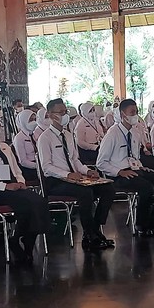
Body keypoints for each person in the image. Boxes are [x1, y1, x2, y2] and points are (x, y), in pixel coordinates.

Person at [0, 114, 51, 263]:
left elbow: (16, 169)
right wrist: (5, 186)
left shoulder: (5, 147)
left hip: (14, 186)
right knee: (26, 205)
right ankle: (16, 240)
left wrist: (21, 181)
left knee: (39, 201)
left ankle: (28, 240)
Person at [38, 99, 116, 249]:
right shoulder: (44, 138)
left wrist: (88, 171)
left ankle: (96, 227)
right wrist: (66, 175)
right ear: (50, 115)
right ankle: (89, 234)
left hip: (75, 178)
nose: (64, 115)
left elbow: (75, 159)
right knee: (85, 193)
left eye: (65, 111)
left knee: (108, 189)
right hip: (56, 182)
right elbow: (46, 167)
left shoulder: (68, 135)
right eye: (60, 112)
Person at [97, 99, 154, 236]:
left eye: (136, 112)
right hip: (117, 175)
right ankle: (141, 224)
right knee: (147, 188)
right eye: (132, 112)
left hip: (134, 169)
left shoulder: (135, 132)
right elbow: (101, 163)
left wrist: (141, 166)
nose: (135, 115)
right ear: (123, 114)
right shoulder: (112, 134)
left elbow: (134, 156)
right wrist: (120, 171)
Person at [12, 109, 38, 181]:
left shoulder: (34, 134)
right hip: (28, 169)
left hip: (38, 165)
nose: (34, 122)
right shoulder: (19, 138)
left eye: (34, 119)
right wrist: (37, 166)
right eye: (31, 120)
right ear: (24, 121)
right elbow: (23, 161)